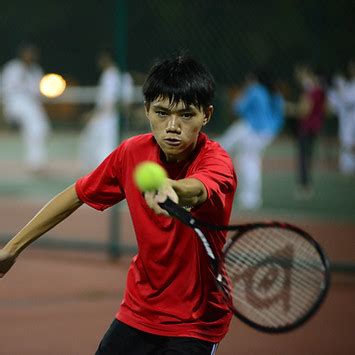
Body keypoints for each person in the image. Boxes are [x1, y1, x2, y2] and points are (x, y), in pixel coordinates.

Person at [0, 55, 237, 354]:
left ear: (207, 115)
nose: (173, 126)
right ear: (147, 110)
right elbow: (75, 194)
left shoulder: (217, 162)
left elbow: (199, 190)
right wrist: (12, 248)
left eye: (186, 115)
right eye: (162, 113)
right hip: (139, 311)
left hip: (195, 322)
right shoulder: (131, 152)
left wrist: (171, 188)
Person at [218, 69, 284, 210]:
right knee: (249, 160)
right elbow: (279, 116)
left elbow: (238, 108)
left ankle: (250, 199)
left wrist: (238, 95)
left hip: (253, 130)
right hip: (267, 134)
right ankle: (251, 198)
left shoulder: (255, 90)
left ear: (254, 78)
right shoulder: (274, 93)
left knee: (243, 158)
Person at [79, 46, 134, 171]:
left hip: (107, 118)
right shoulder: (122, 76)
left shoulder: (112, 75)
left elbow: (110, 103)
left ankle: (103, 180)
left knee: (103, 150)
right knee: (90, 145)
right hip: (107, 118)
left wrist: (94, 114)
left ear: (106, 58)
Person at [1, 42, 50, 173]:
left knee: (41, 127)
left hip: (31, 104)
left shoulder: (36, 70)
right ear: (22, 54)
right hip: (14, 102)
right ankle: (34, 162)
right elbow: (5, 91)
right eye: (28, 52)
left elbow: (37, 94)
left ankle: (36, 161)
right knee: (33, 121)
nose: (31, 56)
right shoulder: (12, 68)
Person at [289, 64, 326, 198]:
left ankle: (304, 186)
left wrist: (289, 109)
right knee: (308, 157)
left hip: (306, 126)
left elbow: (304, 110)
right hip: (315, 126)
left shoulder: (309, 89)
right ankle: (307, 184)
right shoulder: (320, 88)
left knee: (303, 157)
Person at [327, 62, 355, 175]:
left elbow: (349, 100)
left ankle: (349, 165)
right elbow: (339, 104)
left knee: (348, 142)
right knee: (346, 141)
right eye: (351, 68)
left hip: (352, 118)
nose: (352, 70)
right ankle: (347, 166)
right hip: (347, 119)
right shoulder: (349, 84)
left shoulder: (348, 86)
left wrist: (341, 90)